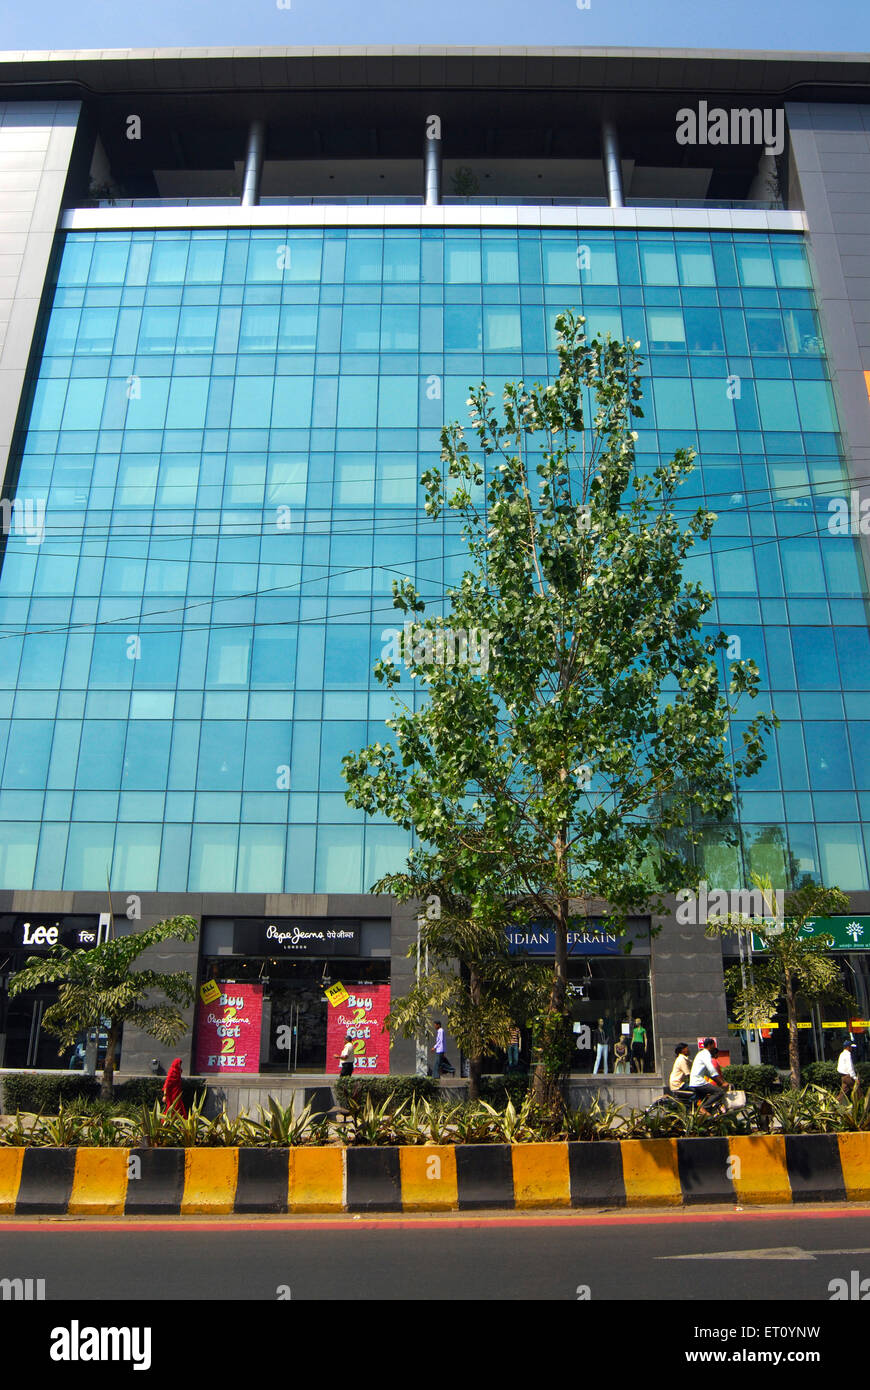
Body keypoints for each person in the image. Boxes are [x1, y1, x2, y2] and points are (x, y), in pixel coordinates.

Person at [689, 1037, 728, 1115]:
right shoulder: (706, 1054)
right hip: (699, 1082)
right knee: (719, 1092)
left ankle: (706, 1115)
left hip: (695, 1082)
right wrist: (721, 1083)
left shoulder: (701, 1054)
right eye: (714, 1045)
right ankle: (704, 1108)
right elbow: (711, 1069)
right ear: (709, 1045)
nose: (714, 1047)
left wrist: (720, 1082)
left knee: (706, 1099)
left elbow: (707, 1073)